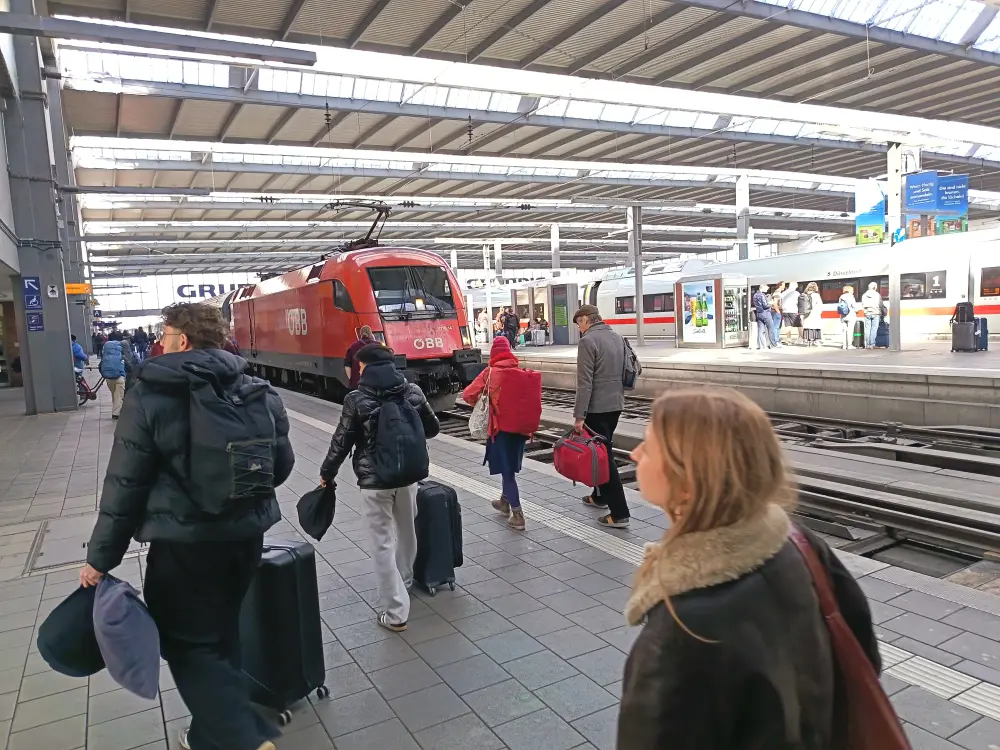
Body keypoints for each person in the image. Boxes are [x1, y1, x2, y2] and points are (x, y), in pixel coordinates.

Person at [79, 302, 294, 750]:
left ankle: (245, 737)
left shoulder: (152, 393)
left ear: (183, 339)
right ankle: (205, 735)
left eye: (166, 332)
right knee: (222, 632)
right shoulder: (256, 388)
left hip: (184, 547)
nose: (161, 339)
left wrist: (100, 559)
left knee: (186, 644)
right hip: (244, 539)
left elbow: (125, 485)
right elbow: (282, 465)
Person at [617, 388, 880, 749]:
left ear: (689, 484)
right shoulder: (799, 542)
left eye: (648, 446)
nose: (635, 453)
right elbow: (865, 656)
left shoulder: (680, 631)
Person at [320, 344, 439, 632]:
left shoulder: (356, 399)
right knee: (407, 533)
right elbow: (432, 428)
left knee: (382, 544)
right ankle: (405, 583)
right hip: (409, 477)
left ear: (366, 366)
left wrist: (327, 473)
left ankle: (396, 612)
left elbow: (341, 442)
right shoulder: (412, 391)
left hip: (374, 484)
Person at [462, 335, 533, 531]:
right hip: (520, 430)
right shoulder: (520, 371)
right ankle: (504, 502)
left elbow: (468, 394)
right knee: (508, 465)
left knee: (507, 471)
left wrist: (484, 401)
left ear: (494, 353)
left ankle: (517, 515)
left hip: (500, 430)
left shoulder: (490, 373)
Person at [572, 305, 630, 529]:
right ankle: (599, 497)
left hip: (597, 408)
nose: (579, 329)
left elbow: (584, 383)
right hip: (615, 404)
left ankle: (619, 513)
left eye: (579, 324)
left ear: (586, 319)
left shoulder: (588, 341)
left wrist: (579, 416)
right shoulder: (616, 337)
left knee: (604, 458)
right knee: (600, 450)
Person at [98, 333, 129, 420]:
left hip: (109, 379)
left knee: (114, 395)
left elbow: (100, 367)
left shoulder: (105, 357)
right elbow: (129, 367)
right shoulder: (121, 356)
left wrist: (105, 374)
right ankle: (116, 413)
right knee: (118, 396)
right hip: (120, 377)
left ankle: (116, 410)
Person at [344, 325, 377, 390]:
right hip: (375, 382)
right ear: (371, 334)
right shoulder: (378, 345)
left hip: (357, 383)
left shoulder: (353, 346)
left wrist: (351, 379)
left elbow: (347, 365)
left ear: (360, 334)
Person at [800, 282, 824, 347]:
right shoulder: (816, 295)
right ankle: (816, 340)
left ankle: (808, 342)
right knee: (815, 327)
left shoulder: (803, 295)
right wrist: (819, 312)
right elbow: (819, 305)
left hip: (806, 314)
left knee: (807, 327)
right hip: (814, 313)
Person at [861, 282, 883, 350]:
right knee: (874, 329)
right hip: (875, 313)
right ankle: (872, 344)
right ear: (875, 287)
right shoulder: (877, 295)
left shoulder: (864, 295)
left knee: (867, 329)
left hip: (867, 313)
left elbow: (863, 304)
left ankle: (867, 344)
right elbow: (880, 304)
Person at [838, 284, 860, 350]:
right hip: (850, 315)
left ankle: (844, 345)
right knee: (850, 330)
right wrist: (857, 310)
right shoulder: (851, 297)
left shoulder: (841, 297)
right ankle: (849, 345)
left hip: (843, 315)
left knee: (844, 330)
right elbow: (854, 306)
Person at [751, 284, 772, 350]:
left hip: (759, 313)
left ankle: (762, 346)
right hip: (765, 313)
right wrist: (771, 303)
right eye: (766, 289)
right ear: (762, 288)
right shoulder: (762, 295)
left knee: (761, 330)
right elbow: (765, 305)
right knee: (770, 328)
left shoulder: (755, 295)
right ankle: (772, 344)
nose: (767, 290)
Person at [768, 283, 785, 348]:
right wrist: (778, 311)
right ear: (780, 285)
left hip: (777, 311)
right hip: (776, 311)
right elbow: (775, 302)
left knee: (777, 327)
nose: (784, 286)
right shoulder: (777, 293)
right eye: (783, 285)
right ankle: (775, 341)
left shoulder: (777, 293)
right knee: (776, 327)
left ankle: (777, 340)